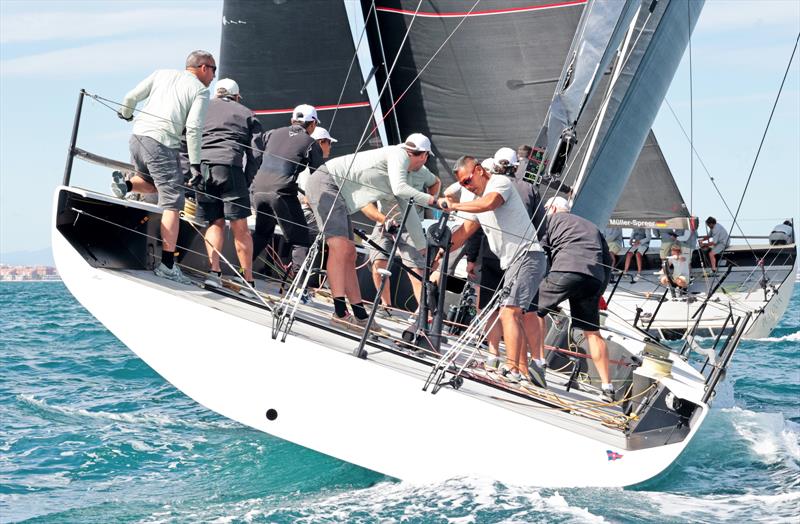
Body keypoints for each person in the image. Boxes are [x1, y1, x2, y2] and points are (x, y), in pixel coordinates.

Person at [305, 133, 439, 331]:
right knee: (340, 248)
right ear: (424, 155)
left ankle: (359, 315)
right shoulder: (398, 155)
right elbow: (401, 189)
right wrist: (433, 201)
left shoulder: (404, 172)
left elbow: (407, 209)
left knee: (350, 253)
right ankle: (340, 313)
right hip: (328, 183)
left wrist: (421, 247)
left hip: (337, 193)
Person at [436, 156, 547, 388]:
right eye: (463, 185)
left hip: (527, 255)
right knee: (510, 313)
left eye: (468, 181)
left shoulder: (500, 184)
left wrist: (454, 205)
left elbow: (490, 203)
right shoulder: (477, 200)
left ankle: (512, 370)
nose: (468, 187)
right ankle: (516, 369)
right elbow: (465, 231)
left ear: (479, 170)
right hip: (513, 261)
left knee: (510, 313)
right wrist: (442, 251)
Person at [113, 50, 215, 284]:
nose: (213, 77)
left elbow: (130, 97)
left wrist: (127, 114)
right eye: (213, 71)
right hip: (162, 143)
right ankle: (168, 264)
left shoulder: (161, 74)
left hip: (137, 137)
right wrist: (196, 165)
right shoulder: (200, 90)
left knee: (151, 184)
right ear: (203, 68)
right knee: (173, 202)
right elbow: (193, 129)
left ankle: (125, 184)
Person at [537, 196, 615, 402]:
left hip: (567, 268)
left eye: (546, 207)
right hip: (594, 277)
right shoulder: (592, 226)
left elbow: (539, 252)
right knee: (592, 333)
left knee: (534, 309)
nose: (544, 210)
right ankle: (607, 387)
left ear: (553, 208)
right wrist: (599, 292)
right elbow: (609, 261)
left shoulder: (550, 221)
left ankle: (538, 363)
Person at [196, 78, 263, 295]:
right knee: (240, 227)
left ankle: (214, 274)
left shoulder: (201, 108)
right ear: (235, 96)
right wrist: (247, 179)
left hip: (204, 168)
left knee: (214, 223)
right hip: (230, 168)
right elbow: (256, 153)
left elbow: (186, 137)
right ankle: (248, 282)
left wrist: (192, 172)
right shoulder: (246, 113)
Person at [251, 104, 324, 284]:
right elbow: (320, 176)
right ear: (312, 124)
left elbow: (256, 152)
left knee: (262, 233)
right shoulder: (310, 143)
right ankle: (299, 287)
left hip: (257, 189)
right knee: (300, 240)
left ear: (293, 120)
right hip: (281, 193)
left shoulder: (272, 133)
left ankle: (242, 271)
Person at [366, 166, 440, 319]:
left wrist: (426, 200)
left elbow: (436, 182)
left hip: (412, 226)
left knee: (415, 270)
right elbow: (366, 199)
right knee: (378, 264)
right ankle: (386, 306)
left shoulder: (424, 170)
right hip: (385, 223)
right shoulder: (383, 169)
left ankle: (424, 315)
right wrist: (382, 219)